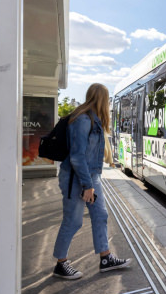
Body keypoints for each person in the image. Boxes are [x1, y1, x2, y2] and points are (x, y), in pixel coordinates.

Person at [52, 83, 131, 280]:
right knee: (73, 221)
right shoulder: (83, 121)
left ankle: (105, 258)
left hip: (91, 175)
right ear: (102, 99)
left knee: (100, 215)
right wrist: (87, 186)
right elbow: (77, 157)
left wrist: (91, 182)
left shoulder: (93, 120)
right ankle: (60, 264)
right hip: (77, 178)